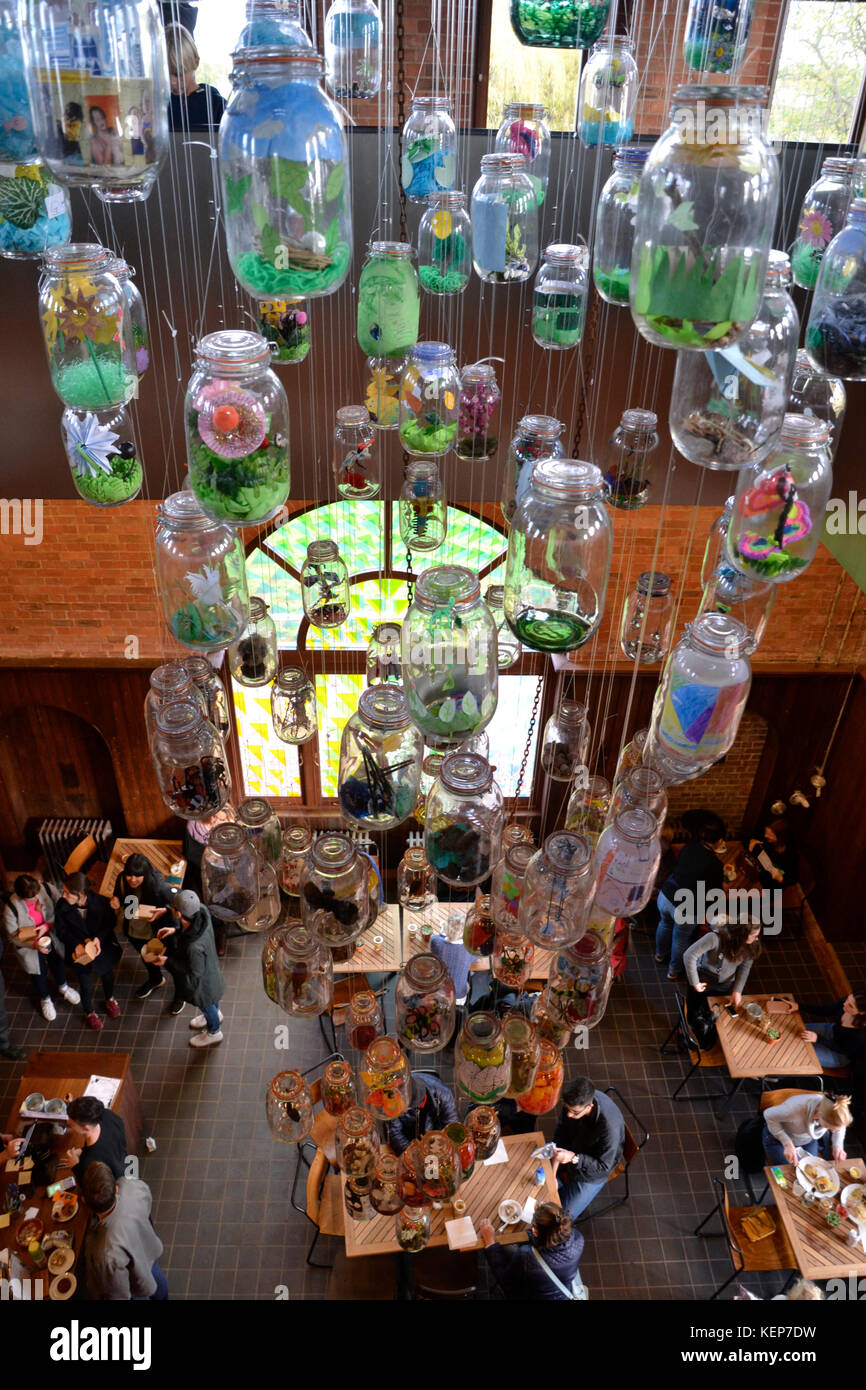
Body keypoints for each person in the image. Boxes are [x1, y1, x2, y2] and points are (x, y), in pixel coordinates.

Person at [655, 810, 727, 981]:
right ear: (718, 841)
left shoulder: (689, 847)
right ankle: (673, 971)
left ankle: (659, 955)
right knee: (680, 940)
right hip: (686, 907)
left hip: (666, 895)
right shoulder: (715, 864)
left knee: (664, 924)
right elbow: (715, 892)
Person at [81, 1161, 167, 1301]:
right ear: (115, 1189)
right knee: (160, 1288)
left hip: (136, 1285)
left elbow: (119, 1294)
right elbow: (146, 1199)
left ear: (84, 1201)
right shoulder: (130, 1187)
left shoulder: (103, 1252)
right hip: (149, 1254)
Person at [152, 889, 225, 1047]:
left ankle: (214, 1031)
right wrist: (175, 930)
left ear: (178, 914)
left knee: (207, 1004)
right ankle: (215, 1015)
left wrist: (167, 961)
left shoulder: (193, 947)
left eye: (173, 907)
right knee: (212, 1001)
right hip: (212, 970)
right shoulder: (203, 912)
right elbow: (189, 931)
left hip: (202, 984)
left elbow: (194, 972)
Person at [3, 873, 80, 1021]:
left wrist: (46, 925)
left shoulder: (47, 889)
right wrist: (34, 944)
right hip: (29, 945)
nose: (38, 897)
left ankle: (63, 986)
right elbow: (12, 937)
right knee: (38, 972)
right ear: (21, 897)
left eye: (38, 893)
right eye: (32, 898)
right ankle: (45, 998)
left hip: (50, 933)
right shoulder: (11, 909)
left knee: (56, 960)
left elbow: (61, 909)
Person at [54, 872, 122, 1031]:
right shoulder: (62, 906)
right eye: (63, 891)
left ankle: (109, 998)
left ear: (82, 894)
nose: (63, 895)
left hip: (100, 946)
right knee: (86, 985)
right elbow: (61, 931)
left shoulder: (100, 902)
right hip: (78, 950)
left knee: (108, 976)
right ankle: (89, 1012)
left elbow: (110, 923)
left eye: (67, 892)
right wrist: (75, 944)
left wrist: (98, 938)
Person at [552, 1076, 625, 1220]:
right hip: (572, 1147)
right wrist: (556, 1153)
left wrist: (574, 1158)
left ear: (589, 1106)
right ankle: (560, 1183)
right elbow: (561, 1128)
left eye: (574, 1112)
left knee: (561, 1218)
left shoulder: (609, 1128)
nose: (569, 1115)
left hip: (591, 1171)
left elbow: (603, 1166)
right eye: (567, 1109)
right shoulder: (573, 1101)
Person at [479, 1202, 585, 1300]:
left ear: (535, 1231)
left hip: (530, 1295)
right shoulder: (578, 1238)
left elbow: (505, 1282)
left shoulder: (527, 1257)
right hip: (561, 1291)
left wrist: (490, 1243)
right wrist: (545, 1215)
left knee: (508, 1248)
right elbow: (549, 1239)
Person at [110, 852, 172, 1000]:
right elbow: (118, 894)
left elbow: (172, 904)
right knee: (146, 957)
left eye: (138, 875)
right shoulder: (122, 879)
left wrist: (164, 911)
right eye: (129, 875)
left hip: (155, 931)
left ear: (145, 873)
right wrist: (116, 900)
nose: (132, 880)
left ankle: (180, 993)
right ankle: (156, 979)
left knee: (168, 960)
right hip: (133, 930)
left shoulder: (157, 886)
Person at [683, 916, 762, 1012]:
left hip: (725, 984)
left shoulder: (751, 946)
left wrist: (737, 990)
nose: (756, 939)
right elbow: (689, 955)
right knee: (693, 1007)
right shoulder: (714, 937)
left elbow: (745, 967)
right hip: (703, 980)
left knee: (714, 1010)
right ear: (741, 935)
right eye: (754, 936)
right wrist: (695, 982)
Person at [762, 1092, 852, 1166]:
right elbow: (768, 1115)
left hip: (806, 1139)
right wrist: (787, 1143)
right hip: (777, 1138)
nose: (832, 1132)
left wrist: (837, 1145)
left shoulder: (834, 1110)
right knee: (794, 1170)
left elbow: (840, 1126)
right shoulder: (794, 1109)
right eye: (828, 1127)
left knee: (812, 1168)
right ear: (820, 1115)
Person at [165, 23, 225, 131]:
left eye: (178, 73)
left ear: (195, 62)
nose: (172, 81)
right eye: (165, 73)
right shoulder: (159, 106)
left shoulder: (216, 105)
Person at [387, 1072, 458, 1153]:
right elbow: (394, 1133)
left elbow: (451, 1125)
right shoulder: (395, 1098)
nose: (402, 1110)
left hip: (435, 1138)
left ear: (418, 1105)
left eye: (405, 1108)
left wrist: (441, 1147)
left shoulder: (444, 1095)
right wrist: (414, 1154)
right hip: (409, 1136)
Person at [65, 1095, 128, 1185]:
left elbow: (89, 1185)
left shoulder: (92, 1162)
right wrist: (83, 1150)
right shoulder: (107, 1114)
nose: (68, 1122)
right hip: (122, 1158)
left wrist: (75, 1165)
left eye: (71, 1123)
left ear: (86, 1128)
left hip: (115, 1179)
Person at [800, 992, 866, 1070]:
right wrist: (799, 1006)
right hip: (831, 1030)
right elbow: (824, 1010)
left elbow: (842, 1049)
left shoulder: (861, 1035)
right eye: (847, 999)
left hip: (837, 1054)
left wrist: (818, 1039)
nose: (845, 1004)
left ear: (862, 1012)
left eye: (850, 1006)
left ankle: (783, 1077)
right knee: (794, 1031)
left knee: (799, 1054)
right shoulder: (847, 1003)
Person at [748, 818, 798, 891]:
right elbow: (753, 836)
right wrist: (752, 840)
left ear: (781, 837)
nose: (765, 836)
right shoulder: (768, 839)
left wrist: (780, 878)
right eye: (766, 832)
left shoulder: (790, 853)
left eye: (770, 835)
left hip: (772, 887)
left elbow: (793, 879)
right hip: (760, 874)